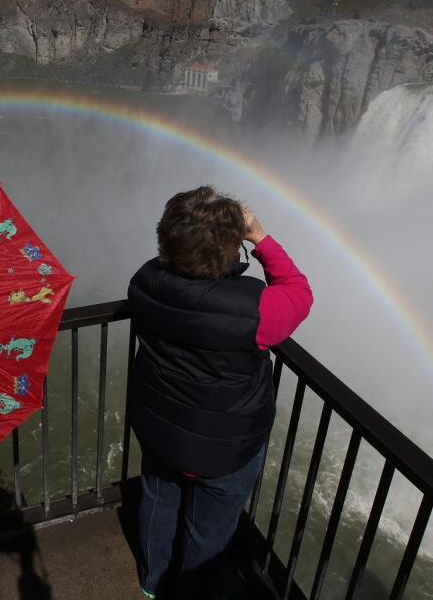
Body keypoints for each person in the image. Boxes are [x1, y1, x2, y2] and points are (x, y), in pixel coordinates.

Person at [126, 186, 313, 599]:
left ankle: (151, 582)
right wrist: (259, 236)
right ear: (230, 247)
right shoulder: (256, 312)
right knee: (207, 532)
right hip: (223, 450)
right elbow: (299, 291)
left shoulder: (143, 283)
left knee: (157, 502)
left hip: (160, 426)